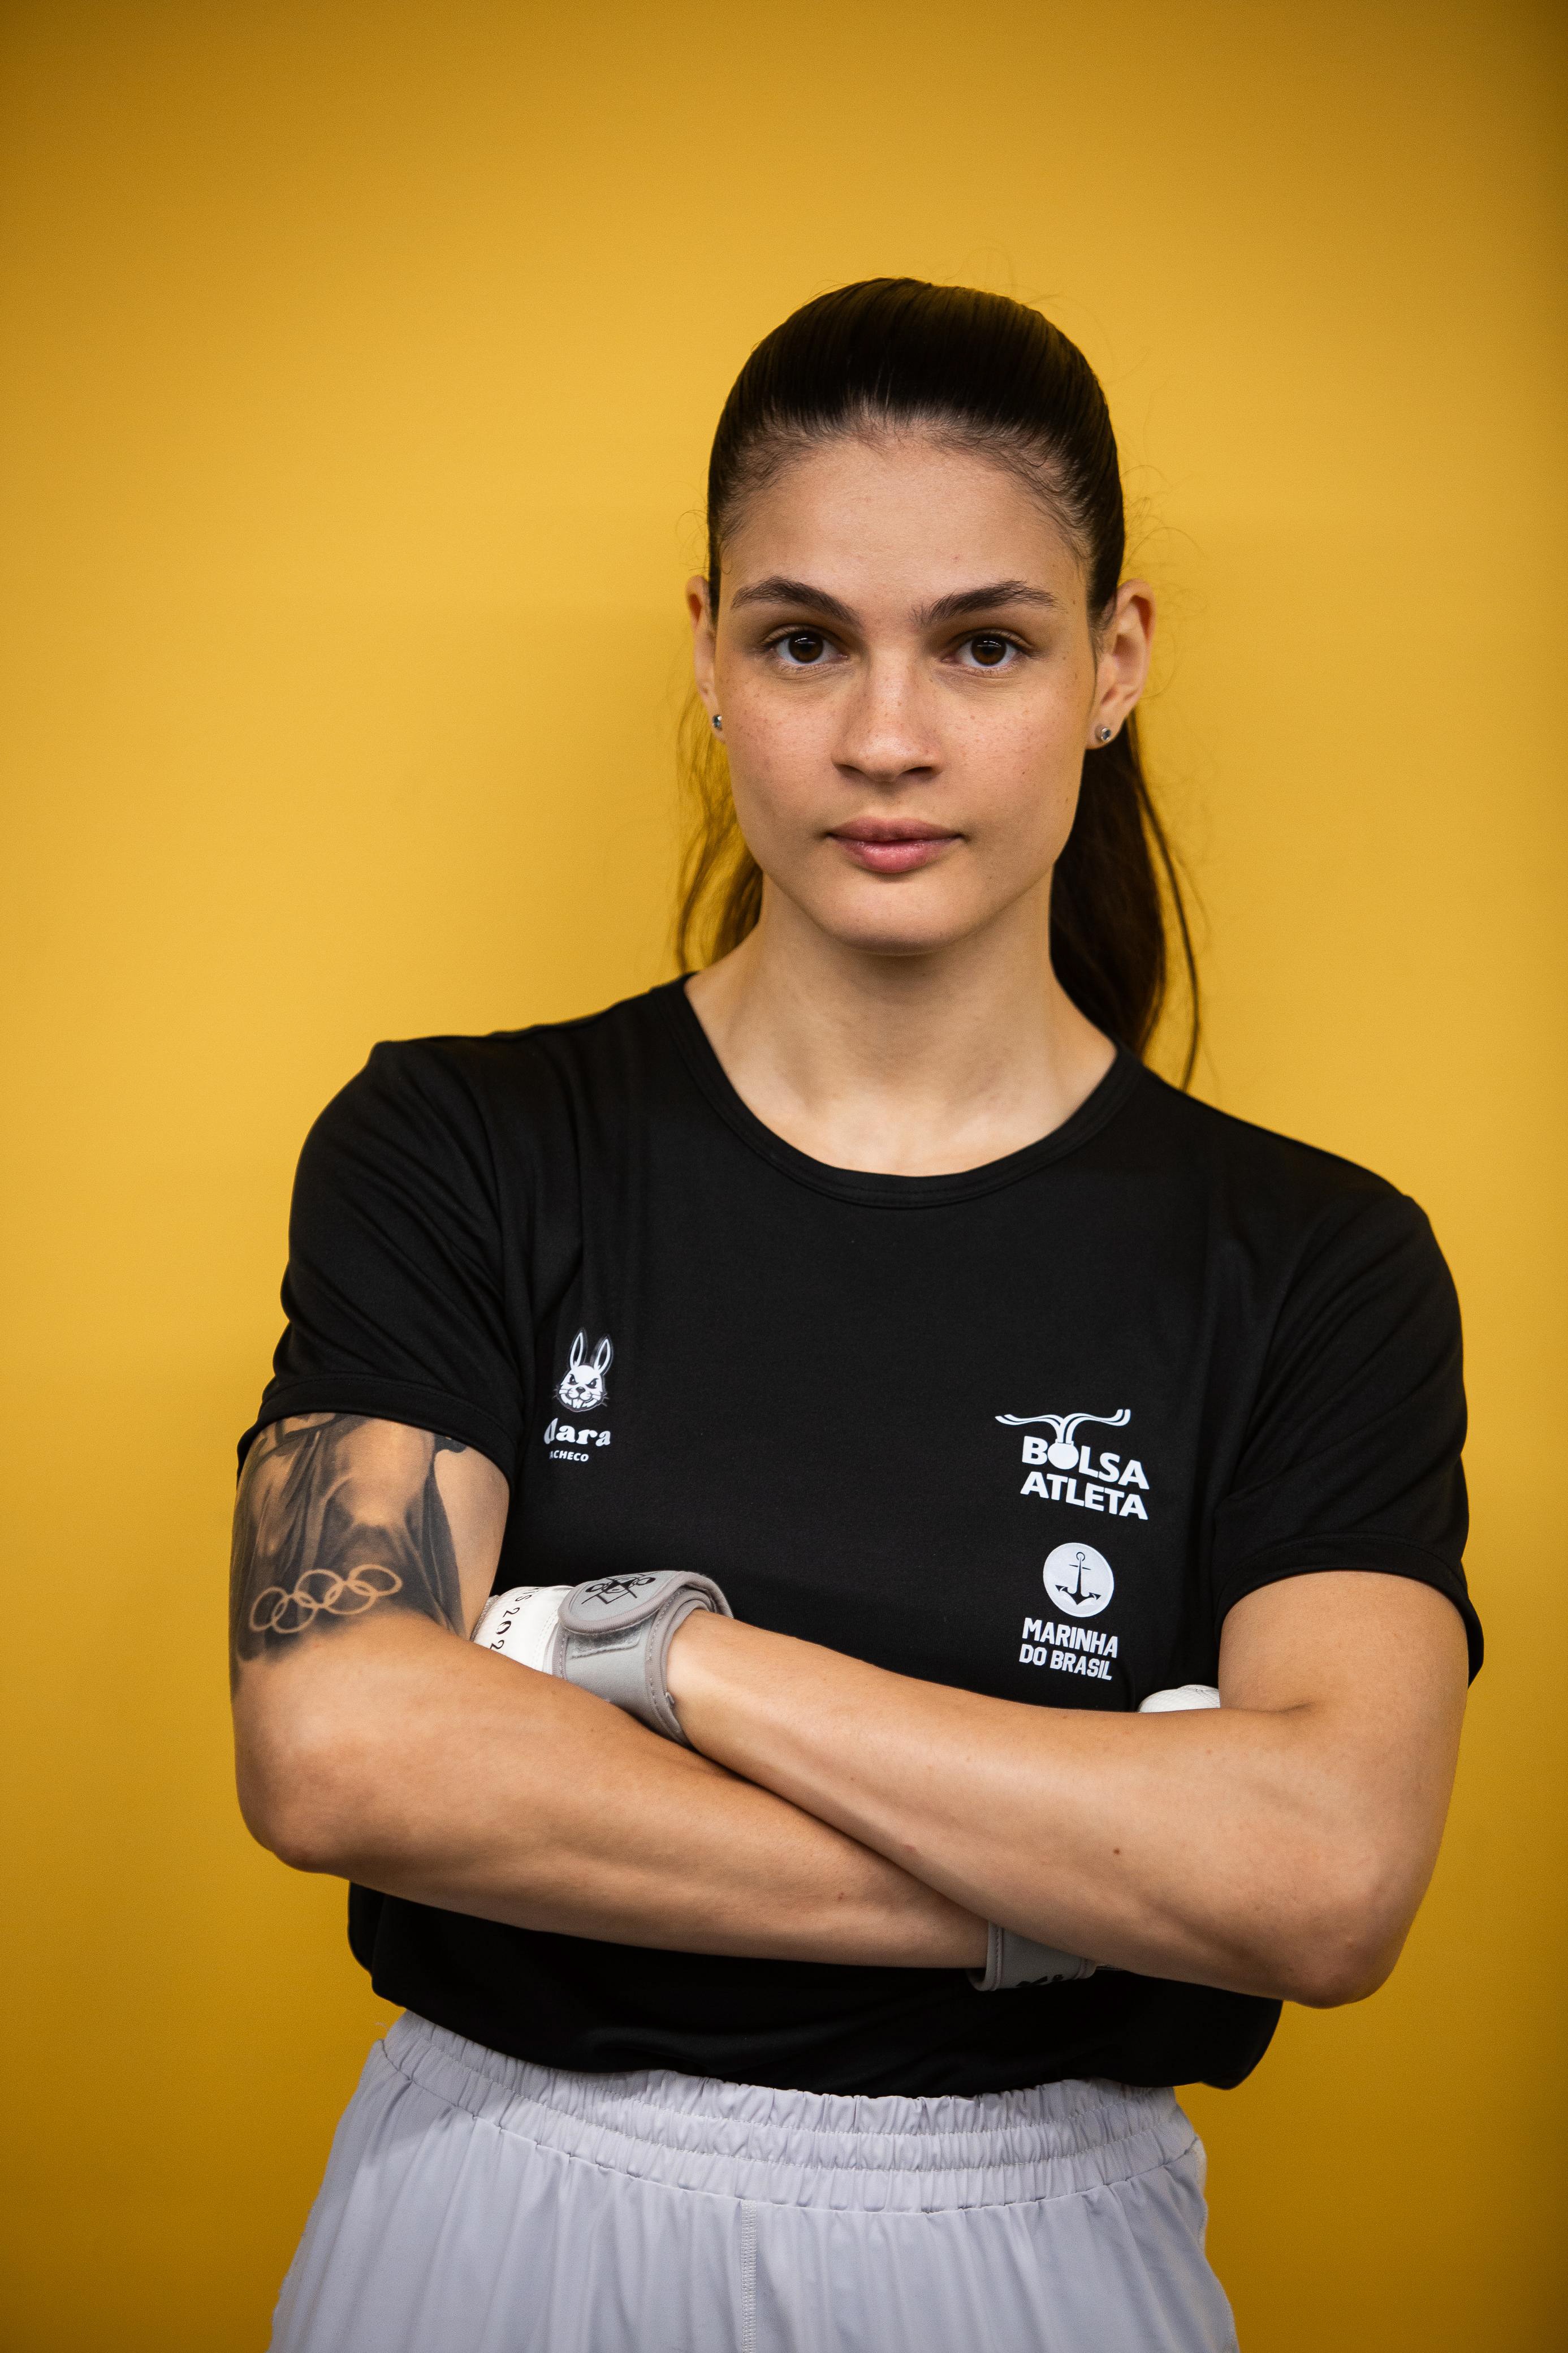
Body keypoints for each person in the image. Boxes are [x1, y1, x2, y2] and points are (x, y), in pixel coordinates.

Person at [231, 280, 1480, 2353]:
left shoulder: (1315, 1263)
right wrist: (1099, 1875)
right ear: (709, 654)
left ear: (1115, 662)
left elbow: (1328, 1878)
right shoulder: (461, 1146)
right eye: (804, 639)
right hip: (490, 2227)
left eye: (985, 644)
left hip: (1038, 2265)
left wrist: (656, 1656)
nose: (886, 738)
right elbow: (340, 1745)